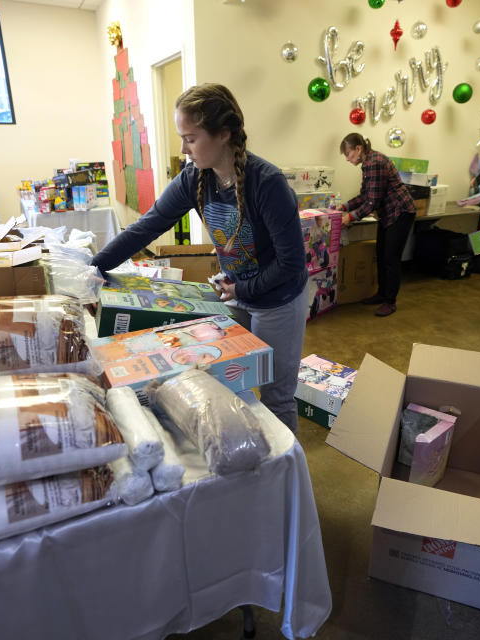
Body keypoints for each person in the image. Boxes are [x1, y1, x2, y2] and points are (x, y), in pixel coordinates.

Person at [91, 83, 309, 432]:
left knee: (276, 396)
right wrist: (94, 267)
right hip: (237, 293)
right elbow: (147, 228)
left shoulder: (266, 183)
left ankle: (284, 480)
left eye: (190, 139)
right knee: (226, 380)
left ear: (223, 134)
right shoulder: (195, 178)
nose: (183, 149)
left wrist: (242, 289)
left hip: (278, 300)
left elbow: (292, 264)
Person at [335, 133, 416, 317]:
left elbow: (372, 203)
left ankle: (390, 301)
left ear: (358, 149)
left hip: (400, 212)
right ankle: (381, 293)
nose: (347, 159)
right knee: (381, 253)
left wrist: (349, 218)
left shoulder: (374, 163)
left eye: (348, 154)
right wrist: (344, 206)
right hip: (388, 215)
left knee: (390, 258)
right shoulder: (368, 163)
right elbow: (365, 195)